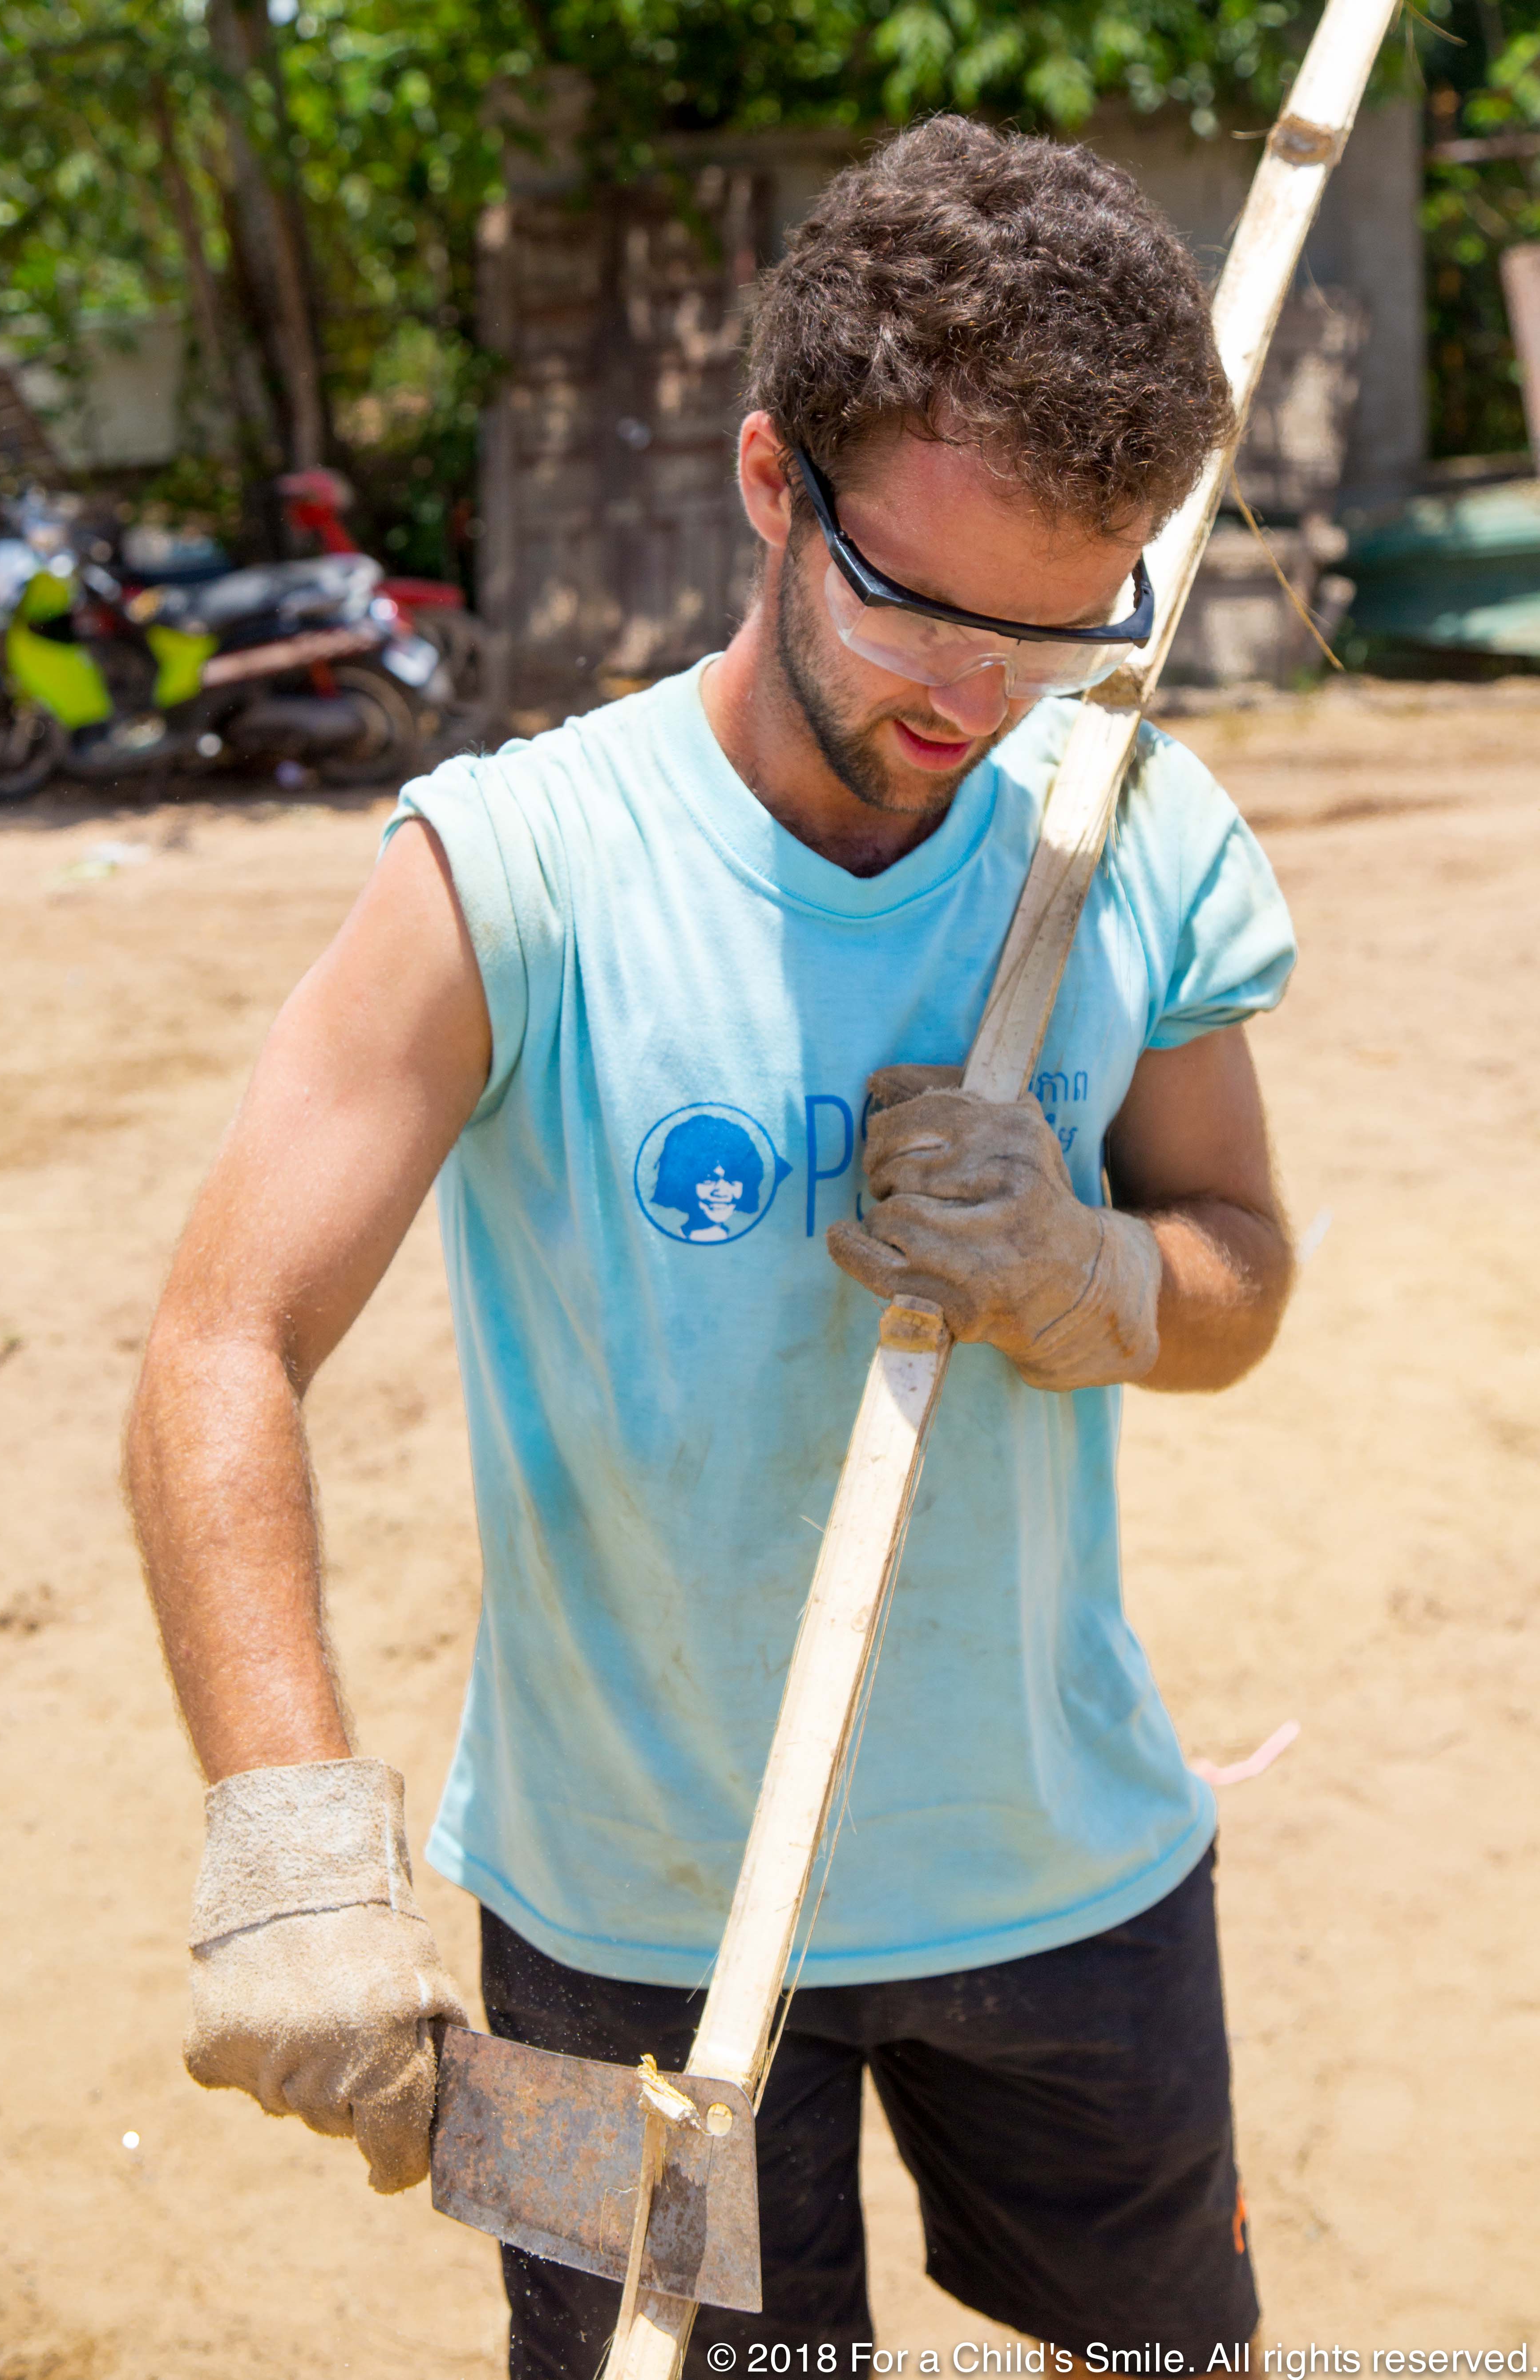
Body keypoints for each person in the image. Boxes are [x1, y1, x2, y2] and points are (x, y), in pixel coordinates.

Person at [128, 117, 1296, 2378]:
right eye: (921, 603)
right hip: (598, 1932)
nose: (977, 698)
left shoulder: (1130, 824)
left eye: (1063, 623)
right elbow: (218, 1342)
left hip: (1077, 1890)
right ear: (773, 481)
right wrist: (283, 1840)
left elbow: (1242, 1265)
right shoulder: (511, 869)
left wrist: (1098, 1279)